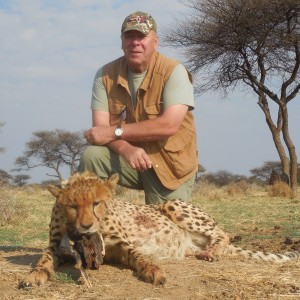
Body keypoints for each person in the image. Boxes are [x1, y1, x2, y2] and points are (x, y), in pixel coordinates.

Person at [79, 11, 198, 204]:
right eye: (129, 36)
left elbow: (169, 126)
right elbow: (100, 132)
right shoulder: (104, 75)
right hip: (131, 158)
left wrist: (116, 132)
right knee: (92, 156)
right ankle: (91, 226)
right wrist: (126, 149)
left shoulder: (174, 71)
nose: (135, 42)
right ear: (122, 41)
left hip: (169, 166)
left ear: (155, 42)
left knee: (164, 226)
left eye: (141, 36)